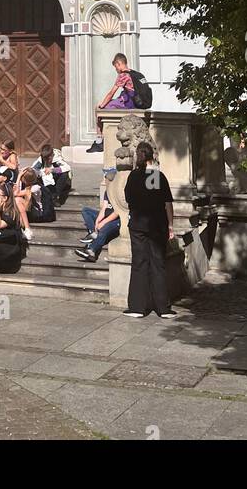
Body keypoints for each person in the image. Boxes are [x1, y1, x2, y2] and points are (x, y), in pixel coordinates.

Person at [123, 140, 174, 318]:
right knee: (158, 263)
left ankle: (137, 307)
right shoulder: (157, 176)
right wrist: (170, 225)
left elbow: (128, 198)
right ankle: (163, 308)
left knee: (139, 263)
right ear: (152, 156)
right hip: (157, 223)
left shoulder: (134, 176)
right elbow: (168, 203)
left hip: (138, 224)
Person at [88, 53, 138, 151]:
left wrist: (102, 105)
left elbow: (111, 92)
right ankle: (100, 140)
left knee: (98, 109)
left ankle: (99, 141)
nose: (116, 70)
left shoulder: (123, 75)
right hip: (134, 102)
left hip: (128, 103)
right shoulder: (133, 73)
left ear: (119, 63)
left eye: (116, 67)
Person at [74, 169, 121, 261]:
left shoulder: (119, 193)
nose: (105, 182)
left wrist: (103, 222)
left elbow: (117, 212)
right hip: (106, 216)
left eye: (107, 179)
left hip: (116, 220)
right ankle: (93, 233)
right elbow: (104, 208)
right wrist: (98, 221)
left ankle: (91, 250)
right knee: (86, 211)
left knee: (104, 228)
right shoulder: (107, 192)